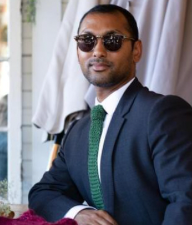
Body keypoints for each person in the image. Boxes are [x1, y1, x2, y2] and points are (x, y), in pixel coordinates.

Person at [28, 4, 192, 225]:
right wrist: (78, 213)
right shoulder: (78, 131)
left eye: (112, 41)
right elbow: (43, 194)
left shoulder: (163, 113)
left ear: (136, 50)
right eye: (87, 41)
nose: (98, 51)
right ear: (78, 52)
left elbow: (185, 202)